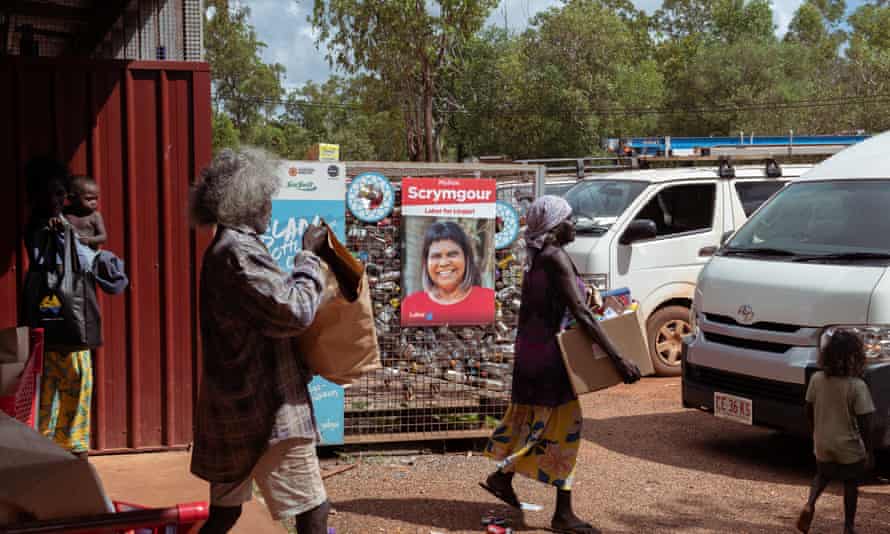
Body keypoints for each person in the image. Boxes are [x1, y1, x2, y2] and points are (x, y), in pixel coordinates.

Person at [190, 148, 335, 534]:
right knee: (313, 512)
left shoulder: (227, 249)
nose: (270, 207)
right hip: (265, 409)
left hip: (233, 408)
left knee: (225, 514)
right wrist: (308, 256)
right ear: (245, 202)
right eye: (265, 199)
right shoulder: (239, 253)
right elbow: (294, 312)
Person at [480, 195, 641, 534]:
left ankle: (505, 478)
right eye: (569, 219)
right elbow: (580, 314)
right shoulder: (554, 257)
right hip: (551, 361)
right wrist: (619, 358)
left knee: (540, 425)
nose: (575, 224)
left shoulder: (540, 256)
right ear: (554, 227)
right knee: (564, 430)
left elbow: (570, 305)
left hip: (533, 355)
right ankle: (559, 513)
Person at [23, 156, 96, 458]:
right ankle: (54, 449)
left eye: (59, 193)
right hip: (56, 322)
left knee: (74, 380)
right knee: (51, 385)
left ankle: (72, 448)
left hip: (63, 319)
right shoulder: (40, 229)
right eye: (47, 193)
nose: (54, 200)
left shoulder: (65, 226)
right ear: (34, 196)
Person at [797, 330, 875, 534]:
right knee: (850, 482)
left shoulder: (817, 379)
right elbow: (865, 421)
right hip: (848, 446)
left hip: (823, 441)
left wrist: (815, 432)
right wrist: (869, 451)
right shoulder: (857, 386)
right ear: (855, 357)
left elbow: (808, 408)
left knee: (822, 474)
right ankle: (848, 526)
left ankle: (810, 504)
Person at [401, 221, 495, 325]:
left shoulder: (487, 301)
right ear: (426, 262)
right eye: (436, 256)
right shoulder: (411, 305)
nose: (444, 263)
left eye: (452, 254)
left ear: (467, 258)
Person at [63, 175, 107, 251]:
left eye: (96, 198)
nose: (94, 202)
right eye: (89, 199)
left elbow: (103, 237)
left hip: (89, 255)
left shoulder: (95, 216)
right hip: (68, 254)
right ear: (72, 198)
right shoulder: (65, 213)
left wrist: (89, 240)